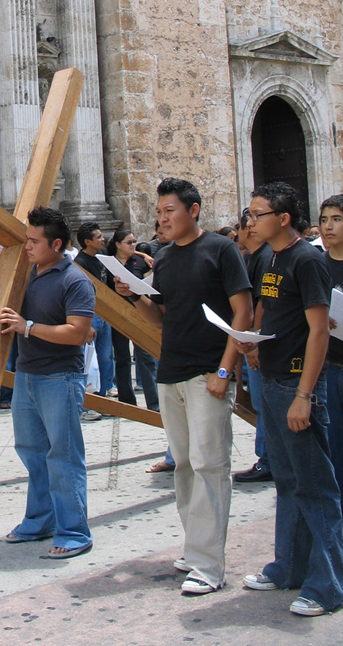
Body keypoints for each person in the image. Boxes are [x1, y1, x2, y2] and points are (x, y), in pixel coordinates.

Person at [116, 177, 253, 595]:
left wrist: (225, 372)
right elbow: (161, 318)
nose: (162, 219)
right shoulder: (164, 258)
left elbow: (243, 311)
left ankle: (210, 565)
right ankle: (196, 549)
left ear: (193, 210)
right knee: (186, 466)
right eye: (158, 212)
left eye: (169, 211)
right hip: (171, 371)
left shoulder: (221, 249)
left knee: (210, 464)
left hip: (208, 373)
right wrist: (134, 296)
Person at [240, 183, 343, 617]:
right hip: (273, 379)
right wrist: (253, 341)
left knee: (316, 487)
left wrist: (305, 394)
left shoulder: (307, 260)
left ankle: (328, 585)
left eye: (257, 214)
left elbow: (319, 331)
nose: (250, 222)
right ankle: (289, 566)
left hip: (298, 386)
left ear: (282, 219)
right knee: (286, 480)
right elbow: (276, 313)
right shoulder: (272, 257)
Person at [0, 207, 95, 559]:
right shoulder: (25, 272)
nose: (27, 246)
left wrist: (26, 327)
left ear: (56, 244)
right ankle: (40, 520)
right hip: (28, 375)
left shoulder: (75, 280)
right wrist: (5, 252)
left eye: (33, 241)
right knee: (31, 451)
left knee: (63, 456)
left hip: (60, 377)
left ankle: (74, 531)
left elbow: (77, 333)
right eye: (25, 240)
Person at [233, 208, 274, 484]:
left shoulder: (264, 257)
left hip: (259, 342)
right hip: (254, 340)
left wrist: (253, 342)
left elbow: (261, 303)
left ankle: (268, 460)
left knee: (263, 404)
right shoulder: (253, 257)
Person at [107, 228, 159, 412]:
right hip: (119, 315)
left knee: (146, 358)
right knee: (122, 358)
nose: (133, 245)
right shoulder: (109, 263)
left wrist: (142, 255)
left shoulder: (140, 262)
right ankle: (127, 402)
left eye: (134, 242)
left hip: (140, 314)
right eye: (129, 242)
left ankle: (154, 402)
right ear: (117, 244)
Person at [73, 223, 114, 403]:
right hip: (91, 314)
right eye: (98, 237)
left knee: (106, 358)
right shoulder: (80, 263)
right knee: (88, 361)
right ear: (87, 242)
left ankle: (104, 397)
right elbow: (80, 295)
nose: (103, 239)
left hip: (105, 315)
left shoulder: (102, 257)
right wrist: (87, 323)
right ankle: (88, 403)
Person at [320, 194, 343, 504]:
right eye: (324, 220)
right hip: (329, 368)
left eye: (336, 219)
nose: (328, 226)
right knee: (333, 451)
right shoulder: (317, 264)